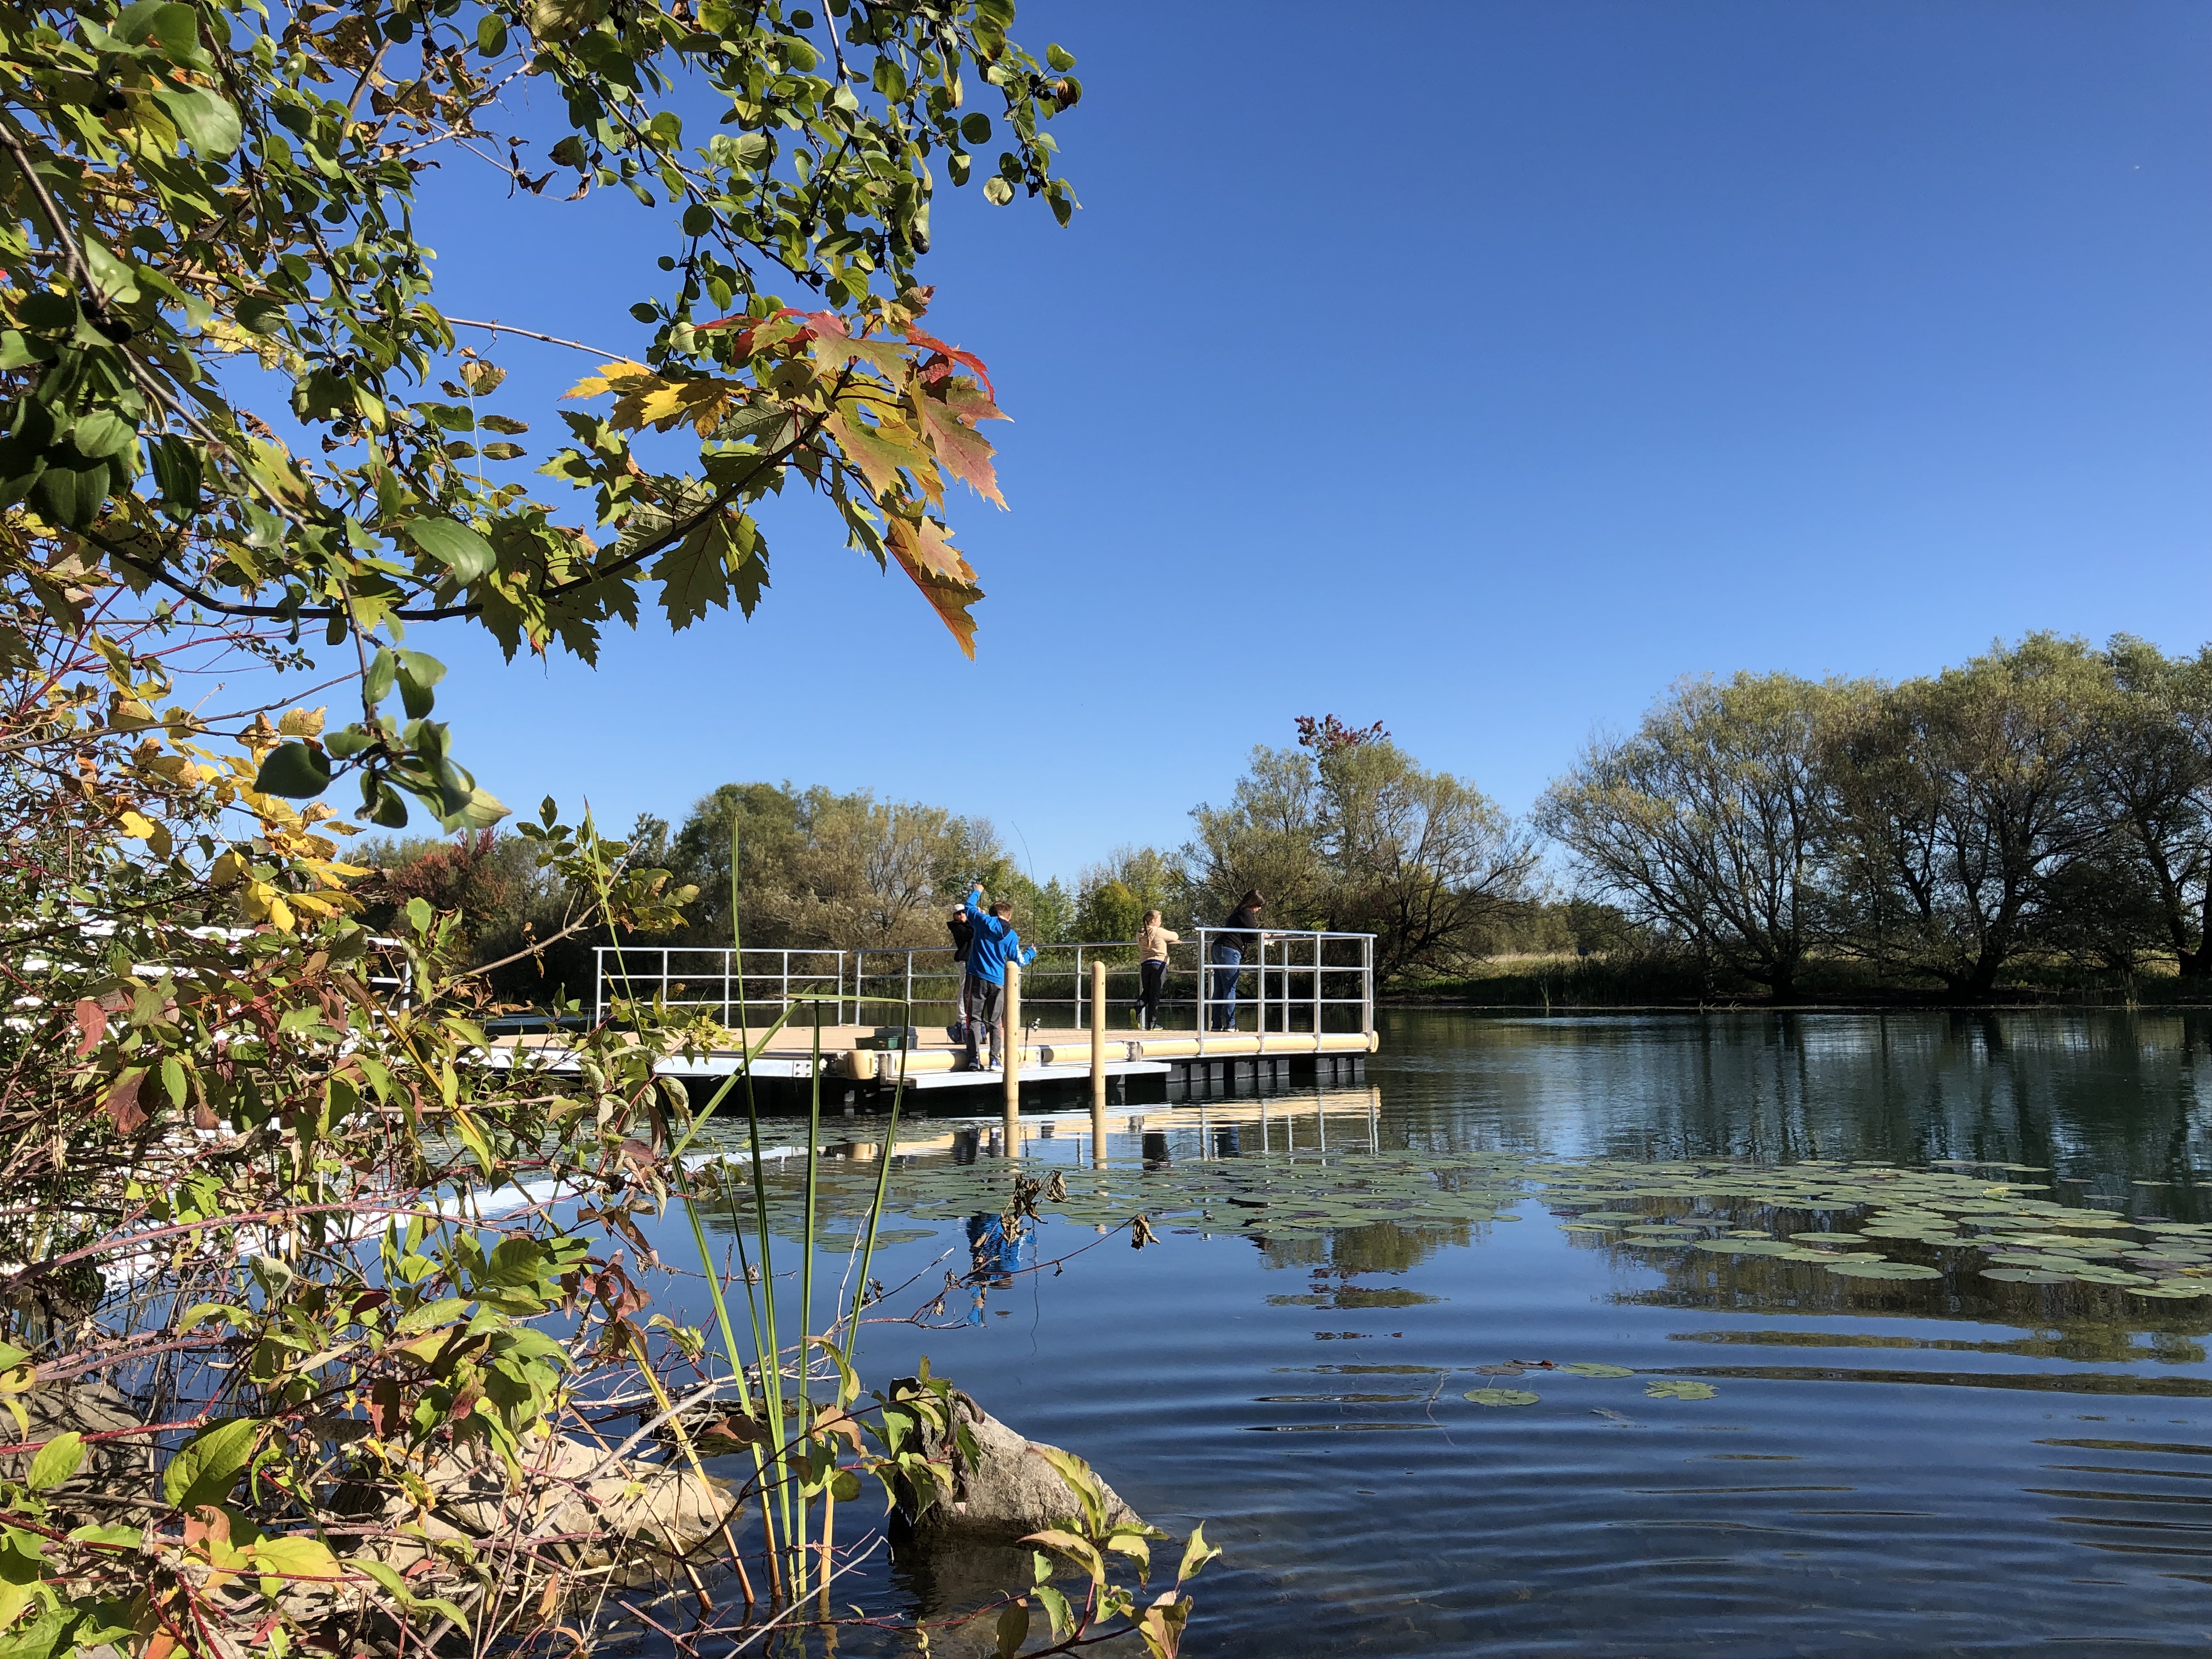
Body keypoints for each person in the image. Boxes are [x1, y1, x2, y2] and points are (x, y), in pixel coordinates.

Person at [961, 886, 1036, 1070]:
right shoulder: (1011, 935)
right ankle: (995, 1059)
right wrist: (1031, 953)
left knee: (974, 1018)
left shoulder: (982, 921)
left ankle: (974, 1058)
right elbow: (1018, 960)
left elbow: (968, 906)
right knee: (995, 1021)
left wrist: (978, 891)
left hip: (976, 978)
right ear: (1008, 916)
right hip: (998, 981)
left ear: (993, 913)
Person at [1209, 889, 1264, 1031]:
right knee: (1230, 987)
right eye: (1258, 906)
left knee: (1220, 988)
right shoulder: (1246, 913)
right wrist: (1265, 935)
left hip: (1218, 948)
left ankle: (1216, 1024)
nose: (1258, 910)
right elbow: (1253, 935)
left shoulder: (1236, 913)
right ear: (1253, 904)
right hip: (1230, 950)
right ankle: (1231, 1024)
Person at [1136, 909, 1178, 1029]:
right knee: (1155, 994)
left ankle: (1136, 1008)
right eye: (1159, 920)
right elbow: (1175, 936)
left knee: (1147, 992)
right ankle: (1152, 1024)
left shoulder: (1140, 933)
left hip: (1145, 965)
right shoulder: (1158, 931)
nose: (1160, 923)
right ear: (1154, 921)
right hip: (1159, 964)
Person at [946, 902, 975, 1043]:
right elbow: (970, 934)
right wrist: (972, 920)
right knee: (964, 988)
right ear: (955, 916)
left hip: (972, 961)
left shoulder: (967, 924)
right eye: (959, 913)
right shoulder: (957, 927)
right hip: (964, 960)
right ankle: (962, 1018)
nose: (962, 915)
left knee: (972, 990)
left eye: (964, 912)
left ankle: (970, 1016)